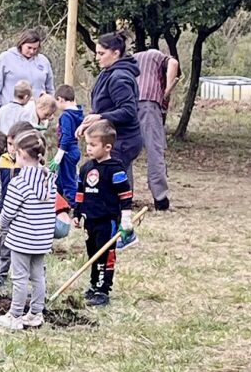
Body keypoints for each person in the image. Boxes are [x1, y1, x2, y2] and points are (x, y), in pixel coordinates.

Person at [0, 133, 60, 333]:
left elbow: (8, 213)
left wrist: (0, 227)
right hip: (42, 240)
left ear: (21, 154)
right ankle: (36, 313)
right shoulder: (50, 182)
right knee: (38, 276)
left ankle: (15, 315)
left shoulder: (18, 183)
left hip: (21, 240)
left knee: (19, 278)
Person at [72, 118, 135, 307]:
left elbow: (125, 195)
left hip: (107, 221)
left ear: (107, 147)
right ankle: (94, 285)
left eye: (93, 145)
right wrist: (77, 213)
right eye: (87, 144)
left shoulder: (115, 169)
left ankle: (103, 289)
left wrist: (125, 217)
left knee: (105, 254)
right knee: (92, 254)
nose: (88, 149)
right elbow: (80, 192)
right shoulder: (85, 168)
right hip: (90, 220)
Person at [87, 33, 145, 173]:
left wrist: (100, 117)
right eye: (97, 53)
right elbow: (103, 105)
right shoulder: (107, 72)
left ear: (115, 53)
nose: (97, 58)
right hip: (113, 138)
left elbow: (128, 111)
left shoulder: (119, 78)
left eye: (101, 53)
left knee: (113, 184)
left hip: (123, 141)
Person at [134, 42, 176, 210]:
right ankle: (161, 199)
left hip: (129, 103)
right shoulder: (158, 56)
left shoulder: (133, 58)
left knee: (126, 150)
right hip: (148, 105)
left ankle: (125, 196)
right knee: (155, 150)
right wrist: (166, 90)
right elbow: (173, 63)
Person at [0, 29, 55, 126]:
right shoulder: (5, 58)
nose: (32, 51)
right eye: (29, 48)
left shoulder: (43, 61)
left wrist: (50, 109)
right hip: (10, 114)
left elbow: (50, 88)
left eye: (35, 49)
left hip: (36, 115)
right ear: (21, 44)